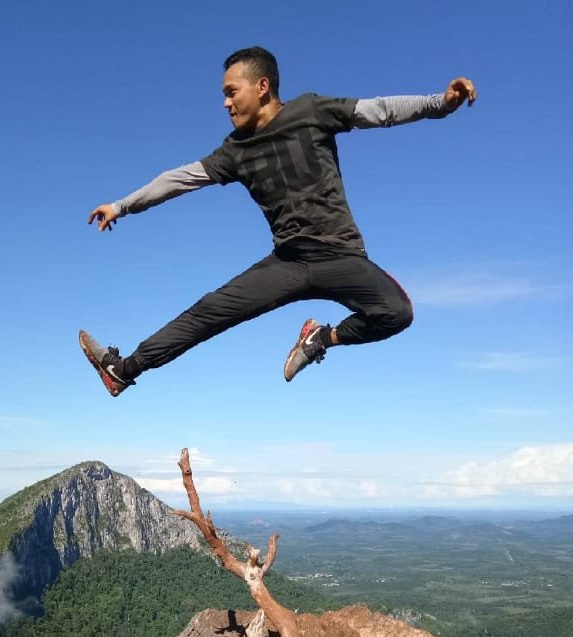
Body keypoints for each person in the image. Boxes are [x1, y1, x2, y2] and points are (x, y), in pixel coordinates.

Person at [79, 47, 476, 397]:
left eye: (231, 92)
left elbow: (380, 111)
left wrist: (440, 103)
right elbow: (180, 180)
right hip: (287, 262)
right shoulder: (234, 151)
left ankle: (321, 338)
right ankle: (122, 370)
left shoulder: (311, 112)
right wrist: (123, 205)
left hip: (341, 257)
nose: (225, 103)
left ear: (262, 87)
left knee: (397, 313)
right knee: (208, 312)